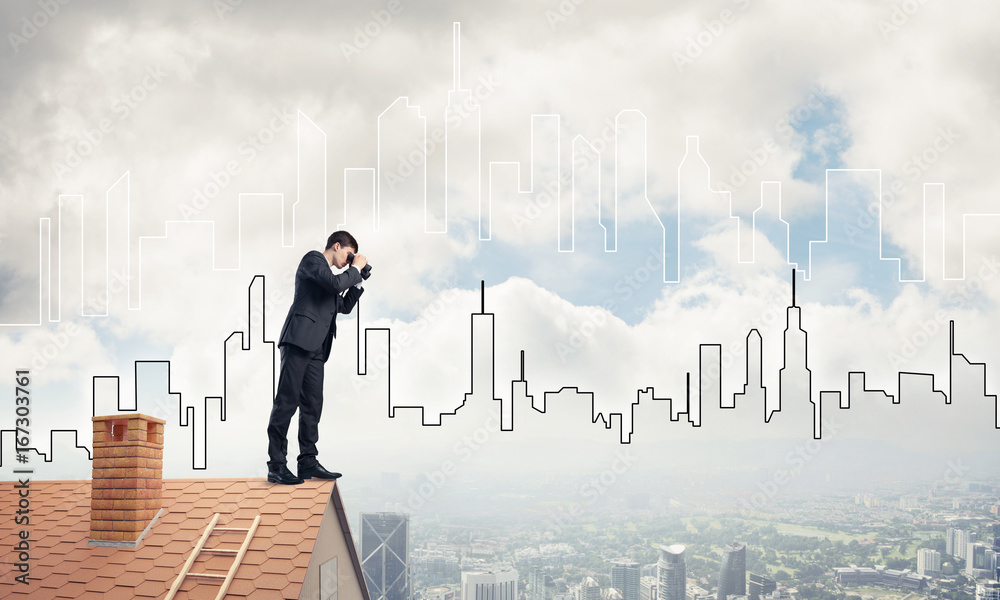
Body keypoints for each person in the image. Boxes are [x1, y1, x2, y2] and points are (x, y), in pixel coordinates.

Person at [266, 231, 368, 485]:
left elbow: (341, 306)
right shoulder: (312, 261)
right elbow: (335, 285)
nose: (349, 260)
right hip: (299, 340)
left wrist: (356, 281)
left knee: (313, 405)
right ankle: (277, 465)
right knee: (287, 402)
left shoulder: (331, 279)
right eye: (348, 254)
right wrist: (354, 269)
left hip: (318, 349)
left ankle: (307, 462)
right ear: (336, 246)